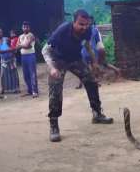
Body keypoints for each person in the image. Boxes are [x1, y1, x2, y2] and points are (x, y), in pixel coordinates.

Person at [42, 9, 113, 142]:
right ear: (73, 22)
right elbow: (45, 50)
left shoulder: (88, 30)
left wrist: (94, 62)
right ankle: (54, 125)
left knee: (91, 80)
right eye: (81, 24)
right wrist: (51, 68)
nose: (84, 27)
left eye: (86, 24)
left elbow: (87, 45)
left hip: (75, 59)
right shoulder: (62, 31)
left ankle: (97, 114)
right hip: (57, 60)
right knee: (55, 90)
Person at [76, 16, 120, 89]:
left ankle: (92, 82)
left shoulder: (92, 30)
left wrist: (100, 50)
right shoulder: (92, 29)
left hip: (91, 50)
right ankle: (93, 81)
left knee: (91, 66)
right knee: (91, 66)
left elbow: (97, 42)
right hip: (90, 50)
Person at [0, 28, 20, 94]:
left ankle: (16, 88)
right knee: (3, 75)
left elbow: (12, 47)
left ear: (2, 33)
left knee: (14, 74)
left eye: (0, 32)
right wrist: (9, 50)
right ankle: (4, 89)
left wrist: (9, 51)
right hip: (4, 60)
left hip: (11, 59)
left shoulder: (7, 39)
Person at [17, 21, 39, 98]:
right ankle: (29, 90)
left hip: (31, 55)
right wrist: (23, 45)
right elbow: (17, 46)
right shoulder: (20, 36)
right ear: (22, 28)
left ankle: (34, 91)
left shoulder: (31, 35)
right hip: (23, 56)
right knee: (26, 75)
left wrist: (21, 45)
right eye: (24, 27)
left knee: (32, 73)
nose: (25, 28)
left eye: (27, 27)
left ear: (29, 28)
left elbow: (27, 46)